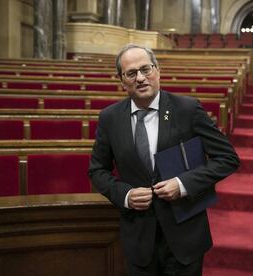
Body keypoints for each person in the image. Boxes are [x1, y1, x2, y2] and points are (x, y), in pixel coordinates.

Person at [88, 44, 239, 275]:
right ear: (121, 81)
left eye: (146, 69)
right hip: (139, 238)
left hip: (184, 235)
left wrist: (183, 184)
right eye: (131, 73)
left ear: (157, 70)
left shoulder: (187, 109)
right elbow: (97, 170)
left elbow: (227, 158)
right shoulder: (109, 118)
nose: (140, 78)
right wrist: (126, 195)